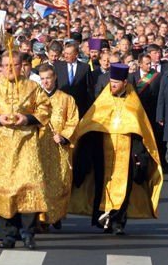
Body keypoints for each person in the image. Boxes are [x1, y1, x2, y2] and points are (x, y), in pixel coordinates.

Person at [0, 51, 51, 250]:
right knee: (3, 189)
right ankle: (8, 234)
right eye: (5, 65)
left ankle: (28, 233)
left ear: (21, 65)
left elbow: (45, 109)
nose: (9, 69)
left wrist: (28, 119)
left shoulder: (33, 88)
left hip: (26, 146)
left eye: (13, 65)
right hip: (1, 148)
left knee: (28, 186)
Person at [70, 64, 163, 235]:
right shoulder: (103, 100)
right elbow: (91, 123)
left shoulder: (134, 104)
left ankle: (118, 221)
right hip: (102, 152)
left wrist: (138, 154)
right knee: (102, 184)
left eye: (115, 83)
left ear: (125, 83)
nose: (112, 85)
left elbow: (141, 130)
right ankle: (104, 217)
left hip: (126, 152)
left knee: (124, 187)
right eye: (111, 82)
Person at [37, 63, 79, 226]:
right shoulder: (36, 98)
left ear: (54, 77)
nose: (46, 82)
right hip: (40, 146)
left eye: (48, 78)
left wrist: (63, 136)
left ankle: (57, 215)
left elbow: (74, 121)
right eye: (42, 79)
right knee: (41, 182)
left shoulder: (67, 99)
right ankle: (41, 216)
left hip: (60, 147)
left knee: (60, 182)